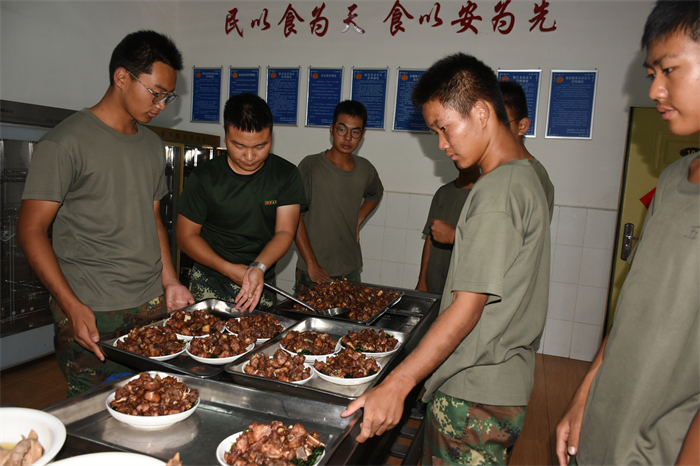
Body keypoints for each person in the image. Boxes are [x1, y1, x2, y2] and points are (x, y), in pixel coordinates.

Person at [342, 53, 550, 465]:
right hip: (499, 384)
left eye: (444, 127)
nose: (441, 144)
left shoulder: (496, 193)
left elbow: (467, 308)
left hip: (474, 393)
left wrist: (397, 384)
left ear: (481, 112)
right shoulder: (527, 175)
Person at [555, 2, 700, 465]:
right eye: (651, 73)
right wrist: (584, 396)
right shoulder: (674, 179)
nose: (654, 90)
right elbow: (632, 313)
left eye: (669, 70)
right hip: (603, 437)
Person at [17, 30, 194, 396]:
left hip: (150, 305)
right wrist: (71, 306)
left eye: (168, 96)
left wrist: (170, 281)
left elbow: (153, 219)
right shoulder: (66, 142)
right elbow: (30, 231)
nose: (162, 106)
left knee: (152, 402)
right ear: (122, 77)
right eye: (156, 93)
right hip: (92, 307)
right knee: (93, 410)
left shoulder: (152, 145)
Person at [177, 93, 307, 312]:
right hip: (210, 279)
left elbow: (285, 231)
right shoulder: (205, 177)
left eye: (260, 146)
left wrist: (258, 266)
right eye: (239, 146)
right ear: (225, 135)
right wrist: (228, 268)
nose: (249, 156)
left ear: (271, 138)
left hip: (260, 280)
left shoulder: (286, 175)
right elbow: (186, 236)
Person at [293, 100, 383, 292]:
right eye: (342, 129)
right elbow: (294, 216)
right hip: (313, 270)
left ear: (362, 135)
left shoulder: (365, 169)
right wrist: (311, 264)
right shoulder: (311, 166)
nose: (348, 138)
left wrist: (358, 219)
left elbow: (375, 194)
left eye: (355, 132)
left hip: (350, 268)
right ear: (332, 129)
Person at [415, 162, 480, 295]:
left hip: (462, 283)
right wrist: (422, 279)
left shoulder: (484, 195)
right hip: (434, 280)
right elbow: (429, 238)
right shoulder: (443, 192)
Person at [499, 80, 555, 221]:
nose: (492, 132)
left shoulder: (535, 175)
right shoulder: (492, 168)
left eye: (502, 124)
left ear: (522, 126)